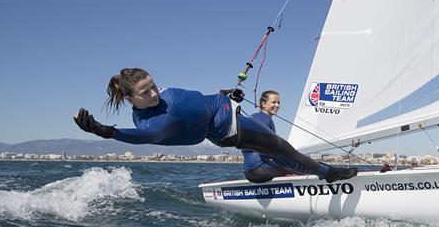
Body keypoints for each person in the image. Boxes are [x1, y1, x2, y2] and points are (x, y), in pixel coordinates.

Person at [72, 68, 357, 183]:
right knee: (281, 147)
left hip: (227, 109)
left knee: (278, 151)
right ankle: (327, 174)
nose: (154, 93)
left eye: (153, 86)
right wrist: (104, 131)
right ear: (130, 98)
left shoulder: (165, 94)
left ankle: (278, 174)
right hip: (228, 130)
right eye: (145, 92)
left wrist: (225, 96)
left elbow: (196, 102)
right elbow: (136, 137)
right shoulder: (151, 124)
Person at [242, 91, 293, 183]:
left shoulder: (254, 117)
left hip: (248, 172)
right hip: (261, 170)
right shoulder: (265, 120)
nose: (277, 105)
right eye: (273, 102)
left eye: (278, 103)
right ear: (263, 104)